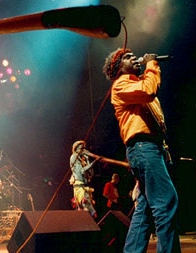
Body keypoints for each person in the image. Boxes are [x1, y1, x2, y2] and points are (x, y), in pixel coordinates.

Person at [102, 48, 181, 253]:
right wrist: (151, 65)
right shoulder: (121, 84)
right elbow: (149, 91)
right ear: (119, 67)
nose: (134, 58)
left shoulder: (137, 83)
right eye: (128, 57)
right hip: (143, 148)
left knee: (145, 210)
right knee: (166, 201)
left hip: (150, 149)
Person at [69, 140, 100, 218]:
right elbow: (82, 171)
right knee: (86, 208)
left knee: (88, 208)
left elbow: (91, 174)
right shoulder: (74, 157)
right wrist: (94, 162)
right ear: (75, 149)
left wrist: (88, 160)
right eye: (80, 149)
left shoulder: (82, 159)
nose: (82, 150)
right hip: (80, 187)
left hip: (85, 186)